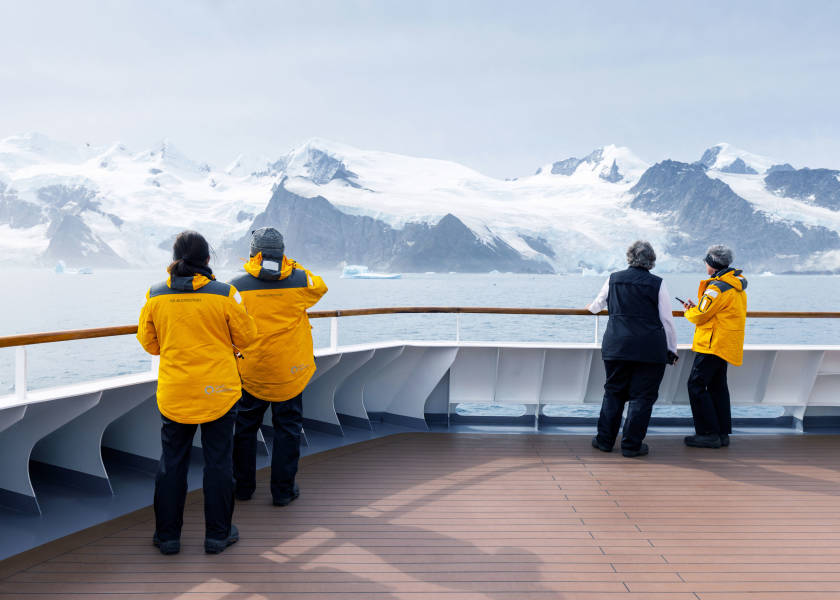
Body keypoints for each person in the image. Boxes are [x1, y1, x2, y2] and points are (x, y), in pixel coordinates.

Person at [137, 230, 257, 555]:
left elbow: (149, 344)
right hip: (218, 391)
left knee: (172, 463)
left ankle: (167, 537)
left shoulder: (155, 294)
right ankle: (218, 536)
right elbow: (246, 338)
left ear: (174, 258)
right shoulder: (226, 294)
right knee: (218, 463)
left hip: (175, 392)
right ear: (207, 259)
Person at [230, 227, 327, 506]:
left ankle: (243, 488)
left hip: (252, 371)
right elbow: (320, 286)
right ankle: (283, 491)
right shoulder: (299, 280)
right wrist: (291, 264)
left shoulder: (236, 284)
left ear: (253, 253)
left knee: (245, 429)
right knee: (288, 430)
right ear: (282, 254)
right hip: (289, 372)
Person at [587, 241, 678, 458]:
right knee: (642, 397)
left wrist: (593, 309)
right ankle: (631, 446)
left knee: (614, 392)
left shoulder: (614, 278)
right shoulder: (657, 284)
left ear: (629, 258)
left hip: (617, 345)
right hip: (649, 348)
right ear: (651, 261)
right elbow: (666, 320)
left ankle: (604, 441)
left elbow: (595, 306)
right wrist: (671, 348)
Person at [679, 244, 747, 448]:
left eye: (707, 261)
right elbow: (717, 311)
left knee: (696, 385)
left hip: (712, 344)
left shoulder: (717, 287)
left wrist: (688, 311)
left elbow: (701, 315)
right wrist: (699, 306)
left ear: (713, 264)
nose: (705, 265)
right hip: (726, 343)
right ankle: (722, 433)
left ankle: (708, 433)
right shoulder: (735, 285)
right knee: (718, 387)